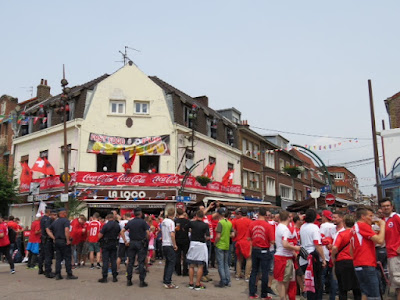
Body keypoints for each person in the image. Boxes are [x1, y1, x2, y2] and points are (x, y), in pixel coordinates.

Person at [351, 207, 385, 300]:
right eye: (370, 216)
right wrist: (382, 225)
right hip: (366, 264)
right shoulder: (363, 226)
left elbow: (351, 249)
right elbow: (380, 241)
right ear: (363, 217)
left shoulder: (354, 227)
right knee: (374, 295)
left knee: (365, 293)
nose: (372, 218)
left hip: (358, 263)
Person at [331, 214, 361, 300]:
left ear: (344, 223)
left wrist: (333, 257)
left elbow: (335, 247)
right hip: (355, 261)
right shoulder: (357, 233)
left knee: (342, 289)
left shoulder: (341, 234)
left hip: (342, 261)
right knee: (357, 289)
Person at [248, 207, 275, 299]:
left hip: (255, 249)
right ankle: (264, 294)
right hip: (264, 249)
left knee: (254, 271)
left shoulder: (252, 224)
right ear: (265, 215)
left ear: (258, 214)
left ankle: (252, 293)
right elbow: (272, 241)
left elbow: (249, 238)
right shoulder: (268, 226)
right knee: (265, 273)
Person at [299, 209, 325, 300]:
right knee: (317, 284)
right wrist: (323, 259)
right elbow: (317, 244)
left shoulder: (302, 227)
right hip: (312, 258)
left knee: (309, 283)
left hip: (303, 258)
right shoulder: (314, 228)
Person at [121, 208, 150, 287]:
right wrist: (147, 239)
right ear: (140, 214)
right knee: (141, 262)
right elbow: (148, 233)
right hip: (140, 242)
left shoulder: (131, 222)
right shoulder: (143, 222)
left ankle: (129, 280)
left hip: (132, 242)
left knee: (130, 262)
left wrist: (125, 241)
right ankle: (141, 280)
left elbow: (122, 231)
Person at [46, 208, 78, 280]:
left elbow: (48, 229)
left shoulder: (55, 222)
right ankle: (69, 274)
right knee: (67, 258)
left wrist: (53, 238)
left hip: (57, 241)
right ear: (63, 214)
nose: (66, 214)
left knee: (58, 258)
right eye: (65, 213)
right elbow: (66, 230)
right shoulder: (66, 221)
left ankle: (58, 274)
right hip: (64, 241)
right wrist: (67, 240)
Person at [380, 198, 400, 299]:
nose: (386, 208)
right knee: (396, 284)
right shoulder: (383, 221)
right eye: (384, 206)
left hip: (396, 255)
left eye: (388, 206)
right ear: (381, 208)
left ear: (392, 207)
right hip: (390, 254)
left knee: (398, 283)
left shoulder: (396, 217)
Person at [186, 210, 210, 290]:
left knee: (191, 265)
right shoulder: (205, 225)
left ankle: (190, 282)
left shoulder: (192, 223)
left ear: (196, 215)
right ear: (203, 216)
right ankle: (197, 283)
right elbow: (208, 236)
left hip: (193, 243)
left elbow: (185, 228)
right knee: (200, 265)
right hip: (201, 244)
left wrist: (191, 231)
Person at [97, 214, 120, 283]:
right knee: (113, 260)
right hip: (114, 243)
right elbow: (119, 233)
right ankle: (114, 277)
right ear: (113, 218)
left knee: (105, 261)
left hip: (106, 244)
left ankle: (104, 277)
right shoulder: (117, 225)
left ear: (107, 218)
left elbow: (100, 235)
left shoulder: (106, 225)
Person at [320, 210, 337, 300]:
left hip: (324, 253)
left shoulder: (323, 226)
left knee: (322, 276)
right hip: (332, 253)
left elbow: (320, 238)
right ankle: (332, 297)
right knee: (333, 277)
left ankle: (320, 295)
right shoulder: (334, 226)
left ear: (325, 217)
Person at [215, 207, 234, 288]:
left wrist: (215, 242)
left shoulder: (220, 223)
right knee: (226, 264)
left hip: (220, 245)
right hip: (227, 245)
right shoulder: (229, 223)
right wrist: (226, 235)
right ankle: (228, 280)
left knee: (220, 264)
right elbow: (233, 234)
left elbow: (218, 236)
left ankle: (223, 280)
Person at [161, 207, 179, 289]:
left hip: (164, 243)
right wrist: (174, 244)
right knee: (171, 263)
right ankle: (168, 281)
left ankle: (165, 279)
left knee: (168, 262)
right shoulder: (171, 222)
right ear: (174, 214)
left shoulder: (163, 221)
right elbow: (172, 234)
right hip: (169, 244)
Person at [233, 208, 252, 281]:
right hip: (247, 241)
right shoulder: (250, 222)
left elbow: (235, 232)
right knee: (249, 259)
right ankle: (247, 276)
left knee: (239, 259)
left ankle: (238, 274)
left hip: (239, 241)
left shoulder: (237, 221)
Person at [174, 208, 190, 276]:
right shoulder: (187, 221)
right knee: (185, 256)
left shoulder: (175, 221)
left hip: (177, 239)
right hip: (185, 239)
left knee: (177, 256)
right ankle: (185, 271)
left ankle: (178, 271)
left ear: (177, 213)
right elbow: (189, 230)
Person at [42, 209, 57, 278]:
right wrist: (54, 238)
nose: (55, 216)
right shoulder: (49, 221)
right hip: (47, 240)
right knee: (48, 256)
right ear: (50, 214)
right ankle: (48, 272)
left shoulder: (50, 220)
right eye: (54, 215)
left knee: (49, 256)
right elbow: (48, 230)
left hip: (48, 240)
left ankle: (48, 270)